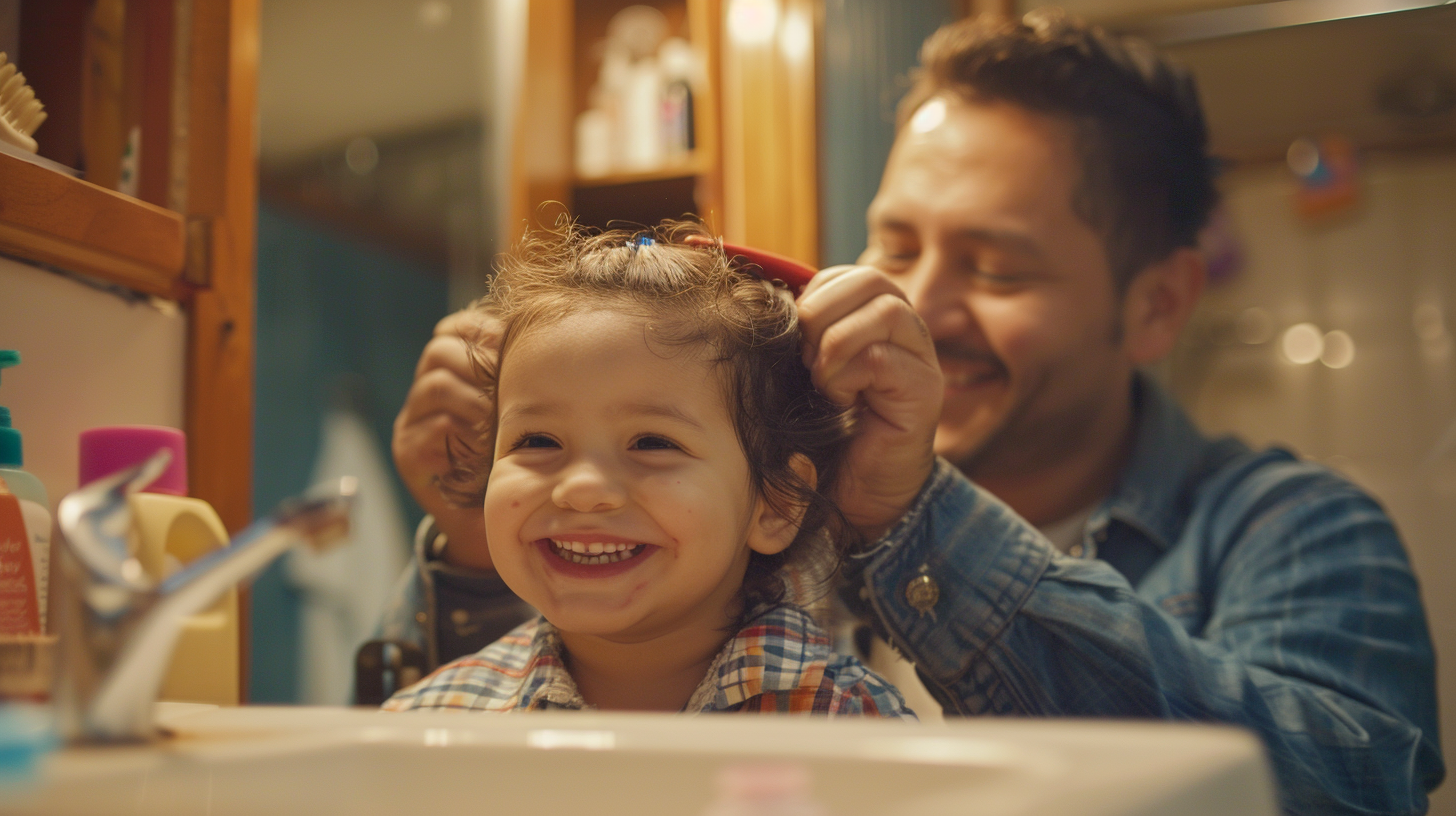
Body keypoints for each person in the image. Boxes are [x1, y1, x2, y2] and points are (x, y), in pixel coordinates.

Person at [380, 10, 1441, 813]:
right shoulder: (737, 480)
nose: (920, 303)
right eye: (895, 243)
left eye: (995, 266)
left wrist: (907, 521)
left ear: (1157, 300)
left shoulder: (1294, 531)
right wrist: (478, 547)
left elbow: (1340, 792)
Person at [382, 222, 912, 717]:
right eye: (537, 440)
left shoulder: (858, 730)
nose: (583, 489)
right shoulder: (430, 726)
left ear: (777, 502)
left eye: (652, 443)